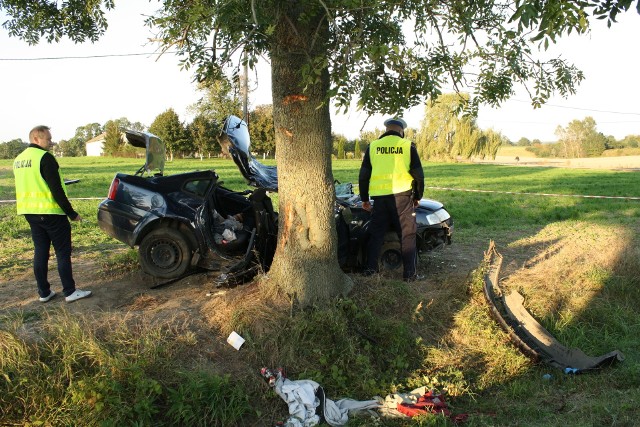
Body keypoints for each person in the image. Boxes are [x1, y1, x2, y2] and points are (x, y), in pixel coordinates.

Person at [13, 125, 92, 303]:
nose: (51, 142)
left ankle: (44, 293)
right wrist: (72, 213)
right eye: (47, 139)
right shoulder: (45, 158)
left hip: (29, 212)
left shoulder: (18, 159)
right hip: (51, 213)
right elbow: (56, 190)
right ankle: (70, 291)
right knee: (62, 252)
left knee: (40, 252)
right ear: (36, 139)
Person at [358, 117, 425, 281]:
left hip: (380, 200)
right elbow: (419, 176)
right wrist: (417, 196)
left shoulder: (373, 147)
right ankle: (409, 276)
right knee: (407, 236)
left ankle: (371, 272)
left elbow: (363, 176)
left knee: (376, 235)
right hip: (403, 198)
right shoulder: (407, 146)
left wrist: (364, 199)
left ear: (386, 129)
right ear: (401, 130)